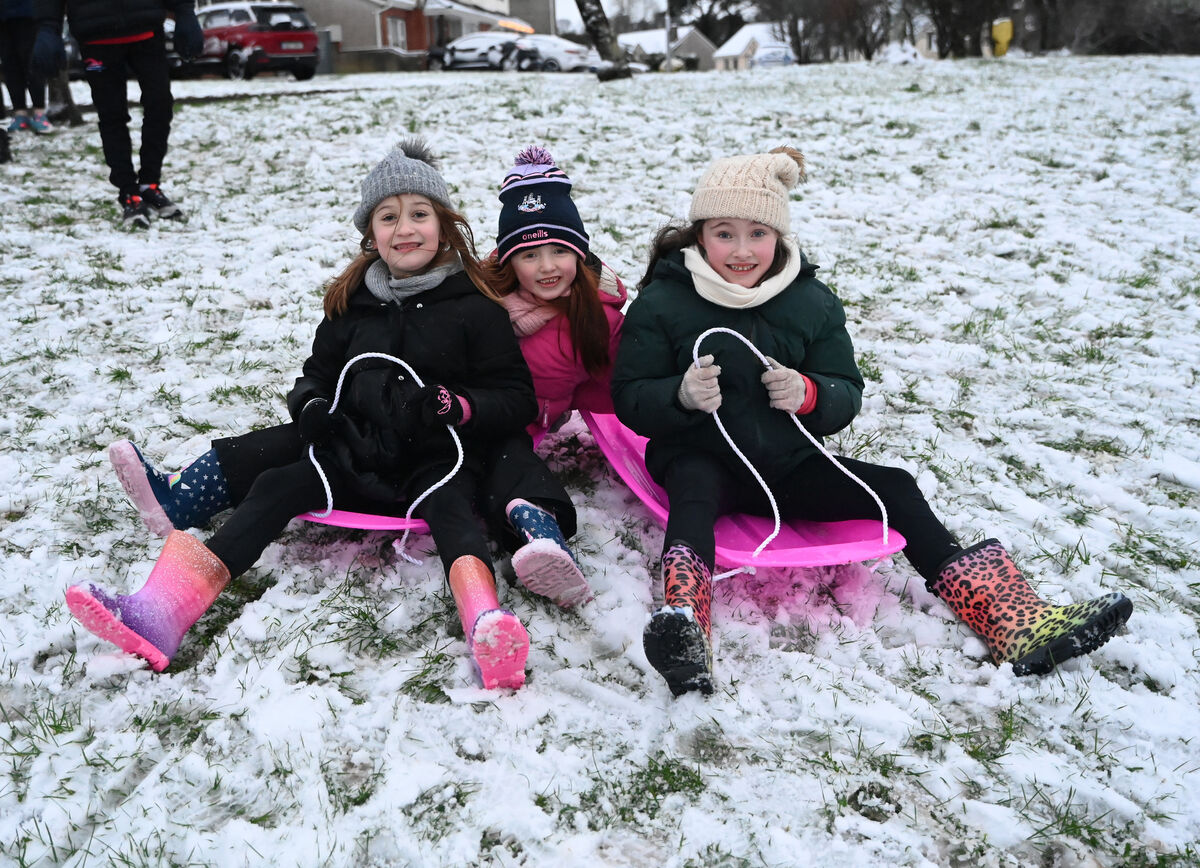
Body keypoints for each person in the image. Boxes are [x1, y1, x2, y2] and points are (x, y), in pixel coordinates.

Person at [611, 147, 1134, 697]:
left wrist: (810, 393)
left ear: (780, 237)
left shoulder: (810, 302)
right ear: (699, 236)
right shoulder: (665, 301)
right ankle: (685, 624)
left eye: (758, 233)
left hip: (788, 466)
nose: (742, 250)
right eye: (724, 233)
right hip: (700, 457)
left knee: (895, 488)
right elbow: (628, 398)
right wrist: (681, 394)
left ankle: (1016, 624)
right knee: (693, 491)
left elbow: (846, 390)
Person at [66, 139, 581, 690]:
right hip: (353, 451)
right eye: (388, 217)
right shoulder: (351, 302)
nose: (405, 229)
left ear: (444, 224)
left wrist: (456, 406)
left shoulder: (474, 307)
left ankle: (488, 626)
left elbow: (514, 396)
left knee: (455, 518)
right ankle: (161, 614)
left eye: (419, 214)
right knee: (274, 485)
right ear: (371, 232)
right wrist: (310, 406)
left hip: (440, 458)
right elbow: (316, 372)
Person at [480, 145, 627, 439]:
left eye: (560, 250)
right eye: (530, 255)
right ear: (510, 263)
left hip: (533, 423)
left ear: (579, 255)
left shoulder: (598, 319)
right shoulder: (483, 306)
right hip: (488, 422)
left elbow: (627, 383)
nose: (547, 267)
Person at [30, 0, 202, 225]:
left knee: (160, 105)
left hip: (146, 28)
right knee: (112, 115)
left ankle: (149, 184)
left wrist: (184, 10)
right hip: (96, 35)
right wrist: (47, 27)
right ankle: (129, 192)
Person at [1, 0, 54, 134]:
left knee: (31, 61)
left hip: (28, 13)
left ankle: (39, 112)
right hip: (3, 16)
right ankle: (19, 113)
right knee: (10, 65)